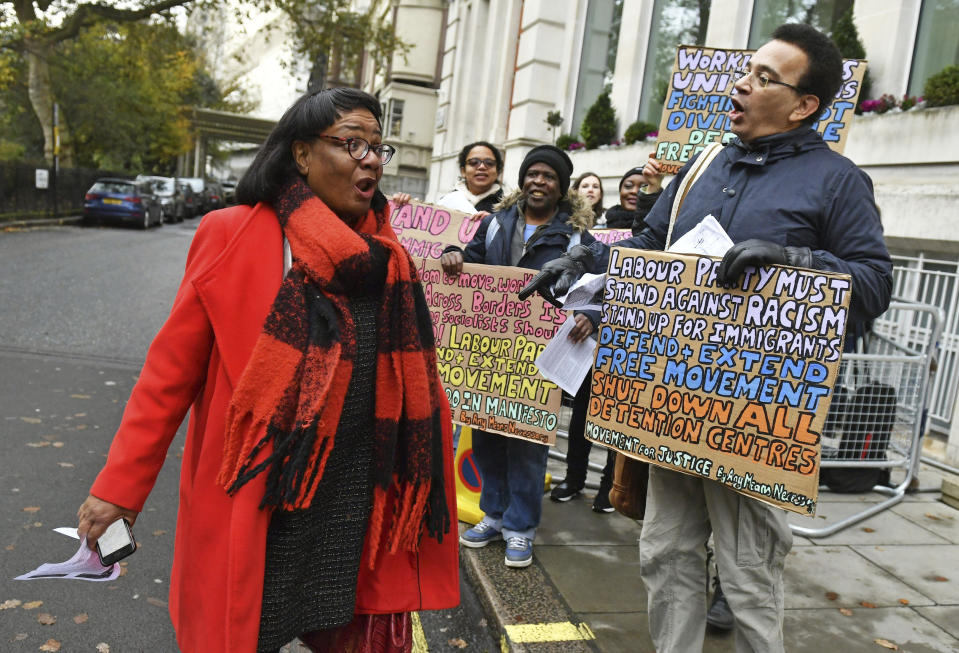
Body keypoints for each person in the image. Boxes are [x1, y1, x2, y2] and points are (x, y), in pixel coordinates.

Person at [522, 24, 892, 652]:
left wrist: (794, 262)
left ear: (804, 106)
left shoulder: (838, 181)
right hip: (673, 401)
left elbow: (873, 284)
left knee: (748, 577)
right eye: (748, 69)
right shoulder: (702, 167)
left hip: (757, 417)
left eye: (765, 77)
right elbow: (645, 248)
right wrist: (585, 260)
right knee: (665, 555)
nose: (742, 83)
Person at [75, 88, 459, 653]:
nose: (371, 159)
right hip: (258, 506)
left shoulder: (390, 256)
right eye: (351, 143)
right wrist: (119, 489)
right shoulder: (232, 234)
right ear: (301, 155)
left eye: (379, 146)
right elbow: (168, 376)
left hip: (356, 513)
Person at [443, 144, 598, 568]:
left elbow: (600, 284)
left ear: (561, 187)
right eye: (533, 174)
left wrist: (588, 315)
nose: (538, 182)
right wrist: (452, 256)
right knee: (489, 438)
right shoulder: (494, 224)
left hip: (540, 355)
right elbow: (469, 259)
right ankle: (494, 516)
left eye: (548, 176)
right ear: (522, 180)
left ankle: (521, 528)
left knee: (528, 446)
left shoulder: (577, 237)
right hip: (492, 355)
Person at [601, 158, 663, 232]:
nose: (634, 191)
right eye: (628, 186)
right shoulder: (599, 226)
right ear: (620, 191)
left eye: (644, 187)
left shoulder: (663, 227)